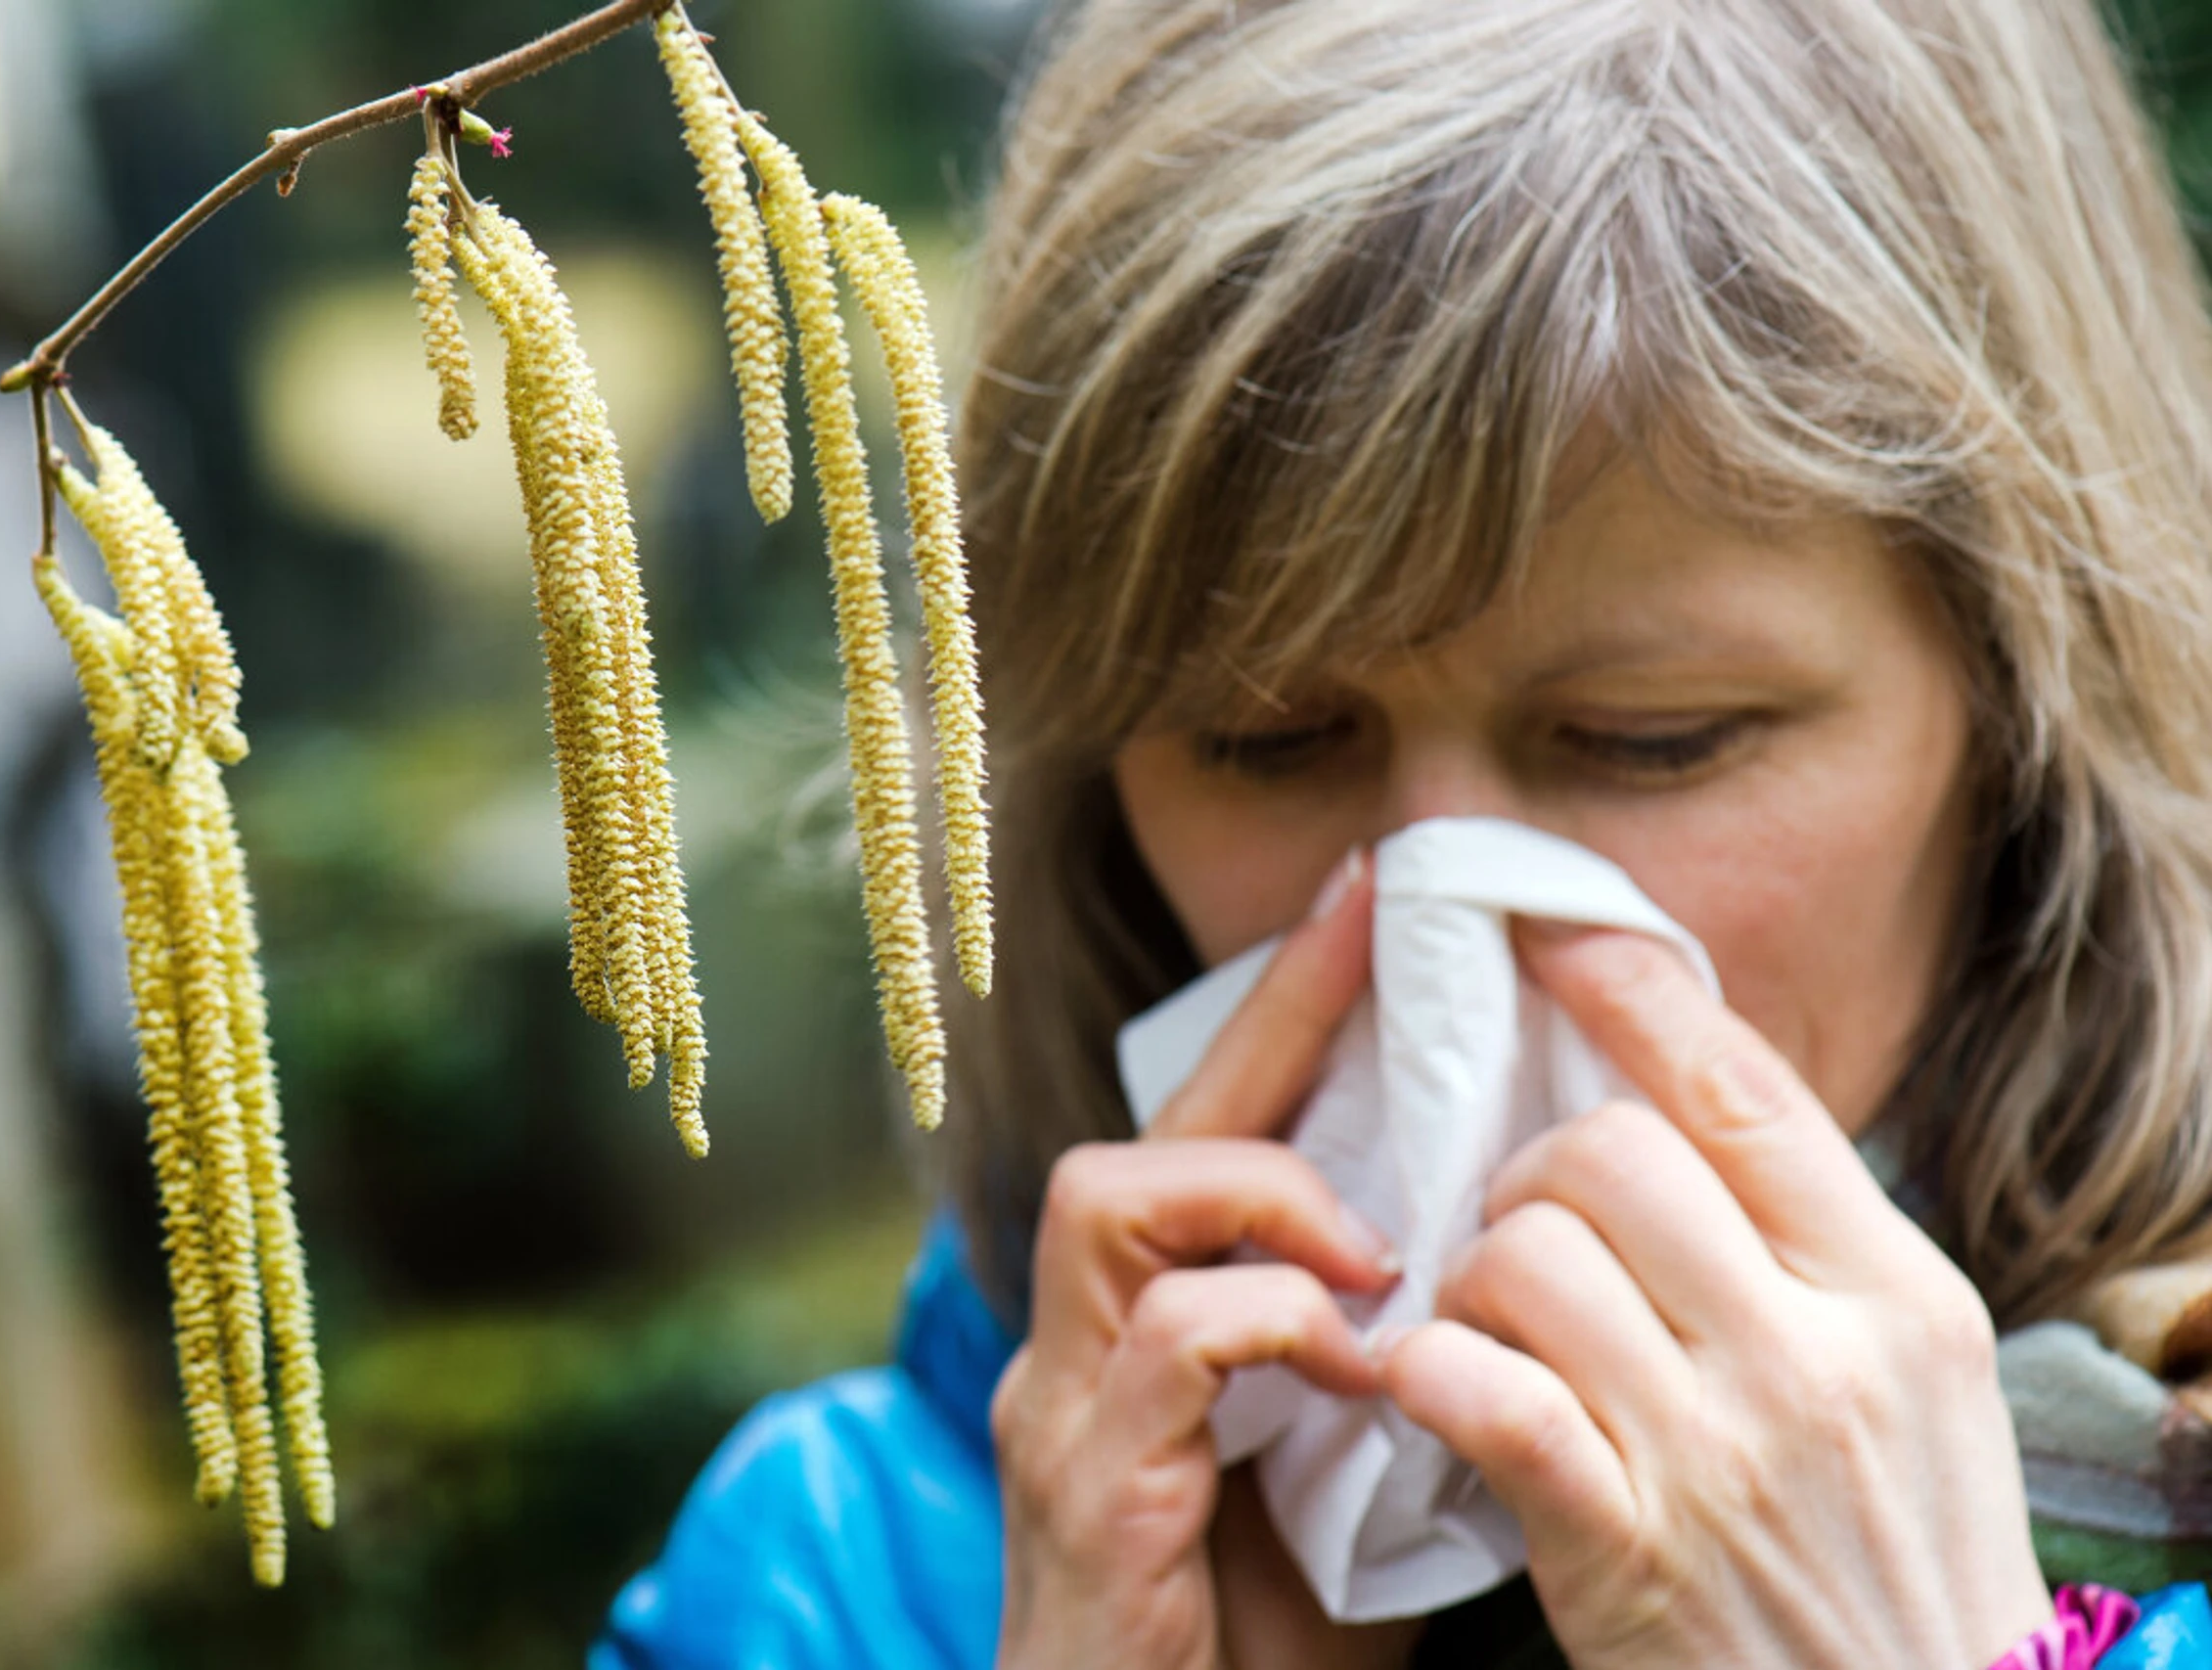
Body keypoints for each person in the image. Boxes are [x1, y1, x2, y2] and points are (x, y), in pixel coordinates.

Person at [593, 0, 2212, 1663]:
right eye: (1265, 741)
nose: (1442, 918)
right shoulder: (842, 1581)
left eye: (1653, 742)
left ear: (2025, 705)